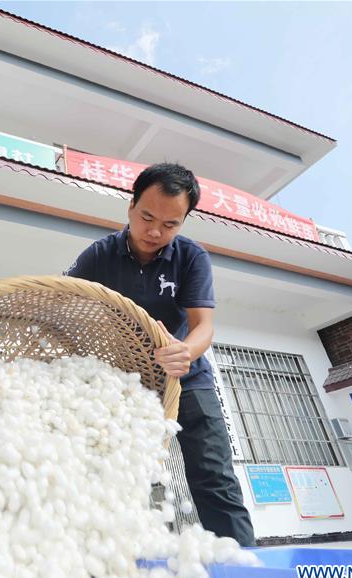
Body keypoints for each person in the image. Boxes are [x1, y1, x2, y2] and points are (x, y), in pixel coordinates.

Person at [65, 162, 255, 546]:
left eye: (170, 225)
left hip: (188, 378)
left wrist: (185, 351)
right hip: (123, 385)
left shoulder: (191, 257)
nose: (154, 232)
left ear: (183, 222)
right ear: (131, 206)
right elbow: (64, 303)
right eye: (147, 217)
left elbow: (204, 326)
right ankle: (119, 553)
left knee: (214, 474)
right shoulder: (99, 256)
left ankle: (242, 563)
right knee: (119, 473)